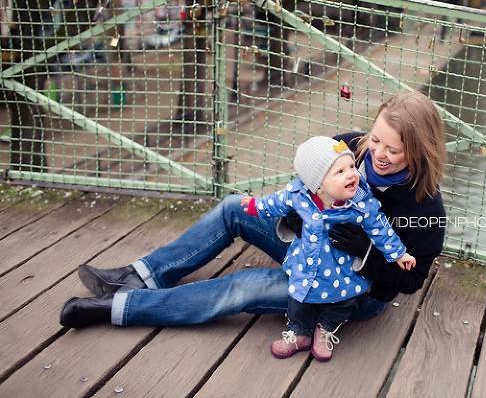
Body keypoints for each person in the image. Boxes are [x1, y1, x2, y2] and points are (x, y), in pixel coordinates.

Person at [60, 91, 447, 343]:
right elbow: (304, 180)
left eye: (392, 150)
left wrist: (369, 252)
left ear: (418, 151)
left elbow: (412, 279)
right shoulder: (349, 148)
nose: (376, 152)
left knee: (242, 287)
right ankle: (142, 275)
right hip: (307, 246)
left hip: (349, 289)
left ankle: (118, 308)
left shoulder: (426, 208)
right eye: (375, 139)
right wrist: (295, 214)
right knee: (233, 207)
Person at [240, 136, 415, 360]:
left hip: (340, 272)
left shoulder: (361, 204)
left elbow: (381, 230)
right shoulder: (299, 196)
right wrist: (256, 206)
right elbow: (276, 202)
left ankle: (326, 329)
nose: (352, 174)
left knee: (341, 303)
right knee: (297, 300)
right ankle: (299, 332)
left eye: (351, 166)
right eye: (340, 172)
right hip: (306, 265)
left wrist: (399, 254)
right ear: (318, 184)